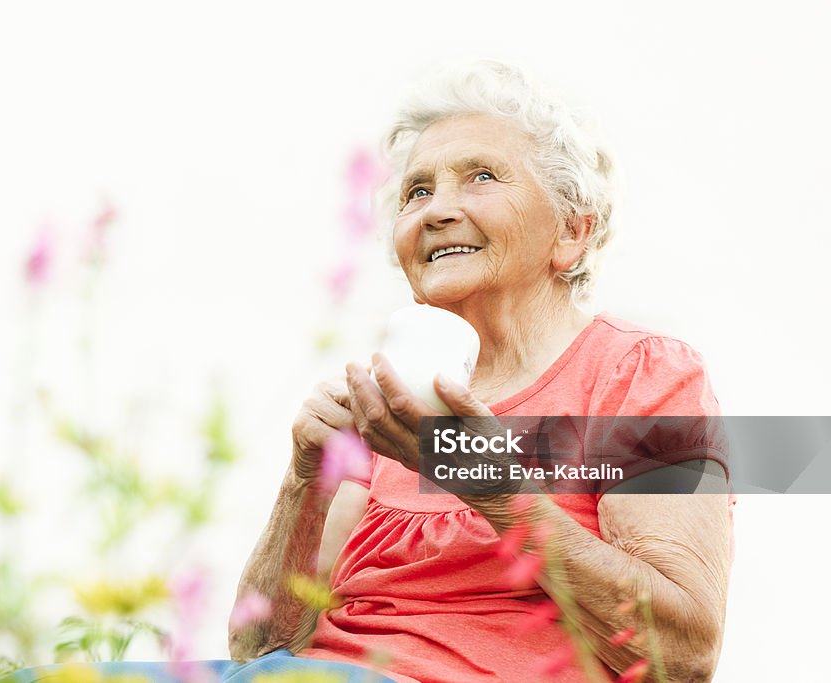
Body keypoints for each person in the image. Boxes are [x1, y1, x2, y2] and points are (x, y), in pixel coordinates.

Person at [229, 60, 732, 682]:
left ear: (573, 231)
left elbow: (680, 657)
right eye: (418, 191)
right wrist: (303, 482)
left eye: (481, 177)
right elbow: (258, 647)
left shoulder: (639, 374)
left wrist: (492, 487)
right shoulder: (389, 405)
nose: (436, 211)